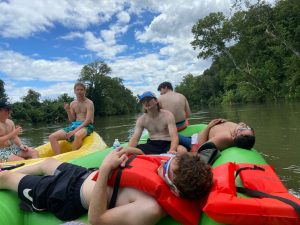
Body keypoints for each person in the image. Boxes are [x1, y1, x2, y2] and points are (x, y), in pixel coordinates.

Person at [0, 148, 213, 225]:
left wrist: (104, 170)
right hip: (83, 174)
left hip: (67, 195)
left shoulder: (150, 209)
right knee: (46, 163)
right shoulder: (167, 174)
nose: (161, 166)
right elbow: (140, 159)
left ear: (174, 190)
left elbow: (97, 220)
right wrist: (126, 152)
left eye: (166, 169)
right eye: (167, 161)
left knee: (7, 178)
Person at [49, 82, 94, 155]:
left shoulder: (89, 103)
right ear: (74, 91)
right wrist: (68, 111)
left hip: (87, 126)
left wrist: (74, 131)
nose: (79, 91)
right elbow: (72, 120)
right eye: (77, 90)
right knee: (52, 137)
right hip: (74, 125)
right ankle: (59, 158)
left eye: (81, 90)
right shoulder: (73, 103)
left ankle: (73, 155)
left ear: (85, 91)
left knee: (77, 135)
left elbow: (88, 120)